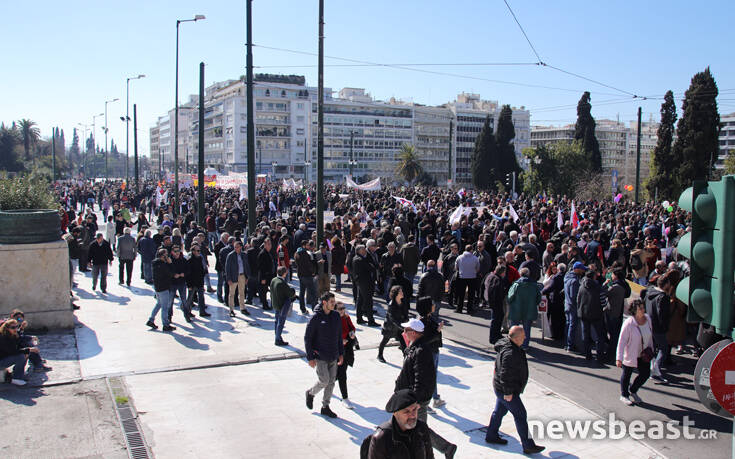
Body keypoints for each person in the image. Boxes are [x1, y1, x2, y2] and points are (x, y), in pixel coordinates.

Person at [394, 317, 456, 458]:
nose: (403, 332)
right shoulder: (414, 347)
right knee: (418, 428)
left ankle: (444, 449)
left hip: (416, 400)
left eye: (406, 330)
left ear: (414, 332)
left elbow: (420, 378)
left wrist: (414, 402)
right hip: (411, 397)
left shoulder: (421, 351)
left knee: (419, 429)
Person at [485, 325, 545, 455]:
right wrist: (508, 392)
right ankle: (528, 445)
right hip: (506, 390)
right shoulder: (510, 353)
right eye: (523, 336)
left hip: (501, 388)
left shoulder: (506, 343)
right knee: (520, 414)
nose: (525, 338)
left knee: (499, 411)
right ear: (516, 338)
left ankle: (491, 435)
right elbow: (505, 374)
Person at [304, 292, 344, 419]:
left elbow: (339, 335)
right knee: (324, 380)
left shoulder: (336, 316)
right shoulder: (315, 318)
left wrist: (341, 353)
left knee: (331, 382)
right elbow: (307, 338)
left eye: (334, 301)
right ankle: (310, 393)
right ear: (324, 303)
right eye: (331, 302)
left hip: (333, 354)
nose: (334, 304)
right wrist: (310, 357)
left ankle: (325, 407)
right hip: (320, 356)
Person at [364, 389, 434, 459]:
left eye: (414, 409)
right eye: (406, 412)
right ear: (395, 413)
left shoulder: (421, 428)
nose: (412, 415)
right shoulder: (382, 437)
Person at [616, 299, 653, 405]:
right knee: (627, 374)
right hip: (631, 353)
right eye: (640, 308)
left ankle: (633, 390)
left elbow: (650, 335)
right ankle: (624, 395)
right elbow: (622, 341)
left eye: (643, 307)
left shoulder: (648, 319)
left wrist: (651, 348)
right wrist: (619, 358)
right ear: (634, 311)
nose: (643, 310)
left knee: (645, 374)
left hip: (644, 353)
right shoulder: (629, 323)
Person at [417, 296, 446, 409]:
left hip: (434, 350)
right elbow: (425, 339)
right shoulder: (422, 322)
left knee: (433, 377)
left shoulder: (429, 318)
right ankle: (425, 402)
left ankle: (435, 398)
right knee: (428, 378)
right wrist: (437, 331)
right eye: (432, 304)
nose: (434, 306)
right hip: (429, 353)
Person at [645, 273, 674, 384]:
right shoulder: (663, 297)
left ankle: (652, 369)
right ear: (666, 284)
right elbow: (663, 314)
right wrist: (665, 327)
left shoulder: (649, 292)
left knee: (652, 348)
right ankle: (655, 371)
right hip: (659, 328)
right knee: (663, 349)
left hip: (649, 325)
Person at [577, 269, 607, 363]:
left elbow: (578, 299)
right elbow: (603, 302)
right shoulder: (598, 287)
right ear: (593, 277)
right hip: (596, 314)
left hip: (583, 313)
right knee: (599, 336)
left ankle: (587, 354)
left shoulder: (581, 286)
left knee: (586, 335)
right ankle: (600, 355)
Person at [507, 267, 541, 349]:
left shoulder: (516, 285)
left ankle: (513, 344)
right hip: (529, 310)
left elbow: (510, 297)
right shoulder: (534, 285)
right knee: (527, 329)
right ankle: (525, 345)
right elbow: (538, 299)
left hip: (516, 309)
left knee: (514, 327)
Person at [336, 301, 357, 410]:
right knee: (341, 374)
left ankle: (322, 386)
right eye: (340, 309)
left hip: (347, 349)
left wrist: (352, 333)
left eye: (343, 308)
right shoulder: (334, 320)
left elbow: (352, 328)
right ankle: (345, 398)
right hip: (337, 350)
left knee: (338, 375)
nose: (342, 310)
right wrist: (340, 341)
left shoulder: (346, 317)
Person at [378, 285, 408, 363]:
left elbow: (405, 314)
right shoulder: (391, 305)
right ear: (396, 294)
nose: (402, 293)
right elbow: (393, 319)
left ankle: (406, 359)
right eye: (400, 292)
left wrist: (407, 323)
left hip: (400, 327)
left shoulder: (403, 302)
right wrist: (402, 326)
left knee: (403, 342)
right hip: (390, 327)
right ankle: (379, 355)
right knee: (385, 341)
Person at [148, 249, 175, 331]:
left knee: (159, 304)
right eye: (166, 255)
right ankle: (166, 325)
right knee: (165, 307)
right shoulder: (162, 265)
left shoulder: (155, 263)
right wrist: (170, 264)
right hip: (163, 288)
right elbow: (170, 273)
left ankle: (151, 320)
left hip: (158, 287)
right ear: (163, 256)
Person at [353, 244, 378, 326]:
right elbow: (371, 267)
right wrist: (371, 266)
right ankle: (371, 320)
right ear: (359, 250)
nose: (365, 251)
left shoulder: (358, 258)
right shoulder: (359, 259)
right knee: (368, 301)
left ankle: (359, 318)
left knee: (360, 300)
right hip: (364, 283)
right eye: (363, 249)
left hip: (362, 282)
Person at [563, 262, 586, 352]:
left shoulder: (567, 276)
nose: (583, 271)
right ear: (577, 269)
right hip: (573, 306)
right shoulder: (575, 281)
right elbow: (574, 296)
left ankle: (567, 343)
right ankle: (570, 345)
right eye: (582, 269)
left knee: (568, 324)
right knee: (573, 325)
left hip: (567, 304)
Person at [0, 319, 31, 385]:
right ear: (7, 328)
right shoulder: (3, 338)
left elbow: (20, 340)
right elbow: (13, 351)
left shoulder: (12, 335)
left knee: (25, 352)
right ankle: (16, 378)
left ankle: (18, 373)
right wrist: (28, 349)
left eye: (16, 327)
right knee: (20, 356)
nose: (15, 329)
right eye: (13, 327)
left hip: (5, 358)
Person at [271, 266, 296, 346]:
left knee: (276, 321)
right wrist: (293, 290)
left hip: (275, 303)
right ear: (284, 273)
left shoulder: (273, 280)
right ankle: (278, 339)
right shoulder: (281, 283)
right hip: (282, 305)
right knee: (281, 322)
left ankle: (277, 336)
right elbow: (290, 293)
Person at [225, 240, 251, 317]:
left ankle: (242, 308)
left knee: (242, 292)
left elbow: (247, 265)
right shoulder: (230, 255)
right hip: (233, 276)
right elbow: (227, 268)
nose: (236, 248)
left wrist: (247, 276)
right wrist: (228, 278)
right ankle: (231, 309)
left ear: (240, 247)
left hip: (242, 275)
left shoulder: (244, 255)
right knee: (232, 293)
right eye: (235, 247)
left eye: (237, 247)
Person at [168, 245, 192, 323]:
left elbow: (188, 270)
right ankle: (169, 316)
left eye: (178, 251)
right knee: (170, 301)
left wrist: (183, 274)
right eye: (175, 251)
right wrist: (173, 275)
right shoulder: (169, 260)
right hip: (172, 283)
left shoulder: (183, 260)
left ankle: (187, 315)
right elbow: (166, 271)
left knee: (184, 300)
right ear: (172, 252)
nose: (177, 253)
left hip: (182, 283)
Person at [185, 244, 210, 318]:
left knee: (201, 297)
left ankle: (202, 311)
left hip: (199, 282)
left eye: (199, 250)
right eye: (198, 251)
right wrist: (189, 285)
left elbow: (201, 270)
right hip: (192, 283)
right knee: (190, 299)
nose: (199, 252)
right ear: (193, 251)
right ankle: (187, 312)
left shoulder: (199, 259)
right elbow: (188, 274)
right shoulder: (189, 260)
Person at [454, 244, 479, 314]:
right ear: (471, 250)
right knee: (471, 294)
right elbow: (477, 268)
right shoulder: (475, 258)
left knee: (461, 293)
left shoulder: (459, 257)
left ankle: (459, 308)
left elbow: (456, 268)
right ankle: (469, 309)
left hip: (462, 277)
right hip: (472, 277)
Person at [485, 264, 507, 344]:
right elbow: (494, 292)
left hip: (494, 303)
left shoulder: (492, 277)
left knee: (498, 319)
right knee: (496, 320)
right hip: (496, 303)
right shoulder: (497, 279)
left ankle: (497, 334)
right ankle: (493, 337)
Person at [295, 240, 318, 314]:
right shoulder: (306, 254)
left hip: (300, 275)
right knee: (313, 293)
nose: (309, 246)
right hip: (307, 275)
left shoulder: (297, 253)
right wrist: (313, 272)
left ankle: (303, 309)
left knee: (302, 293)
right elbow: (309, 265)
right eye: (307, 245)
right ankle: (315, 309)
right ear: (304, 246)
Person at [257, 238, 276, 310]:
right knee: (263, 291)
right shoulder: (262, 254)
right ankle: (265, 305)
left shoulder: (268, 253)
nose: (270, 246)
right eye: (268, 244)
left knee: (270, 290)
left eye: (270, 244)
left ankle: (272, 304)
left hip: (270, 275)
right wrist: (263, 278)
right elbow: (261, 267)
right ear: (264, 245)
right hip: (265, 276)